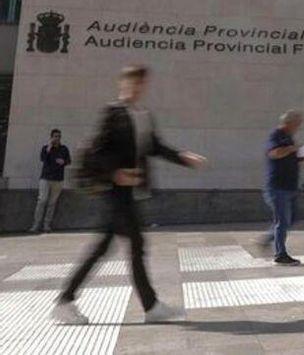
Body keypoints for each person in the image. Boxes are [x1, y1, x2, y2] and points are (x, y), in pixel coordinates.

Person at [54, 65, 206, 325]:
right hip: (115, 192)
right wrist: (115, 173)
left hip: (128, 192)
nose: (136, 88)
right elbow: (97, 151)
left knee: (106, 247)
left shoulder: (143, 114)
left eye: (141, 83)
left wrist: (182, 156)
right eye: (132, 83)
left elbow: (154, 147)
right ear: (123, 84)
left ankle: (67, 300)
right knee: (135, 245)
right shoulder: (113, 113)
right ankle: (149, 306)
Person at [259, 110, 304, 265]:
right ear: (289, 123)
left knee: (291, 219)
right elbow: (274, 153)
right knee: (282, 221)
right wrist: (291, 149)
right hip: (277, 187)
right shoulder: (276, 135)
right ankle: (280, 255)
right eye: (297, 124)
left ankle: (267, 238)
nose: (298, 127)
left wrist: (301, 156)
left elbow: (289, 158)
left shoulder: (289, 138)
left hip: (290, 187)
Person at [30, 128, 71, 233]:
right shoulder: (46, 148)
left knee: (52, 203)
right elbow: (43, 158)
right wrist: (49, 147)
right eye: (55, 136)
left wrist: (63, 161)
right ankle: (36, 225)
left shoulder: (64, 149)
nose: (57, 138)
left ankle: (46, 225)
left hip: (58, 179)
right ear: (51, 137)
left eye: (59, 136)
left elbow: (69, 161)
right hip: (45, 178)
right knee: (42, 200)